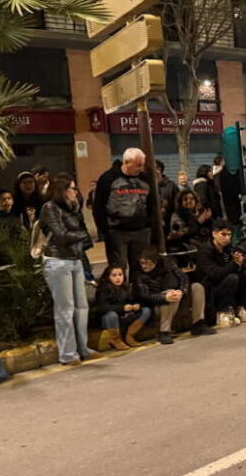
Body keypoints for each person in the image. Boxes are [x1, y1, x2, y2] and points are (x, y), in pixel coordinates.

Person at [39, 177, 93, 365]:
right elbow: (61, 235)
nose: (75, 191)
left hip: (75, 259)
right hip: (57, 261)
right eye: (71, 188)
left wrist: (81, 236)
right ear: (61, 191)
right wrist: (81, 235)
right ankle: (68, 354)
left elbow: (84, 234)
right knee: (65, 309)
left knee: (81, 307)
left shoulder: (73, 208)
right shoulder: (50, 208)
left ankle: (83, 349)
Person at [94, 148, 158, 276]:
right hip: (117, 232)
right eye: (138, 165)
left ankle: (138, 293)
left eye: (142, 165)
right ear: (127, 162)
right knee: (118, 268)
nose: (140, 168)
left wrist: (150, 225)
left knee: (140, 268)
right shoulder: (108, 178)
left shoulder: (145, 180)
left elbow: (152, 205)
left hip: (141, 232)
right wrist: (104, 230)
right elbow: (98, 206)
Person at [134, 246, 212, 342]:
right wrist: (164, 297)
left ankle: (198, 323)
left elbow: (183, 278)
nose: (144, 266)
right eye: (142, 263)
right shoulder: (139, 274)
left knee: (197, 287)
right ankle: (164, 331)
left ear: (156, 261)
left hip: (176, 294)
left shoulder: (168, 263)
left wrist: (182, 291)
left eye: (148, 263)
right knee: (170, 295)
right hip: (156, 303)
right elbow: (144, 296)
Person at [194, 219, 245, 328]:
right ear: (214, 234)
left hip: (222, 283)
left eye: (229, 235)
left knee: (243, 275)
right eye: (223, 234)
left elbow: (230, 268)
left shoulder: (228, 249)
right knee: (232, 278)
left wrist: (239, 263)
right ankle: (222, 315)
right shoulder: (205, 250)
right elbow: (215, 274)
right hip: (208, 287)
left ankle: (241, 309)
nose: (227, 238)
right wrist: (234, 263)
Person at [94, 265, 151, 351]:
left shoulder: (125, 287)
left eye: (120, 275)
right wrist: (122, 308)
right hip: (109, 319)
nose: (118, 278)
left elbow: (131, 301)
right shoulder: (102, 290)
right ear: (108, 277)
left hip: (124, 315)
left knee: (146, 310)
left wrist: (135, 306)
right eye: (114, 275)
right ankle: (115, 340)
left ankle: (130, 336)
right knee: (111, 315)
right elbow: (101, 308)